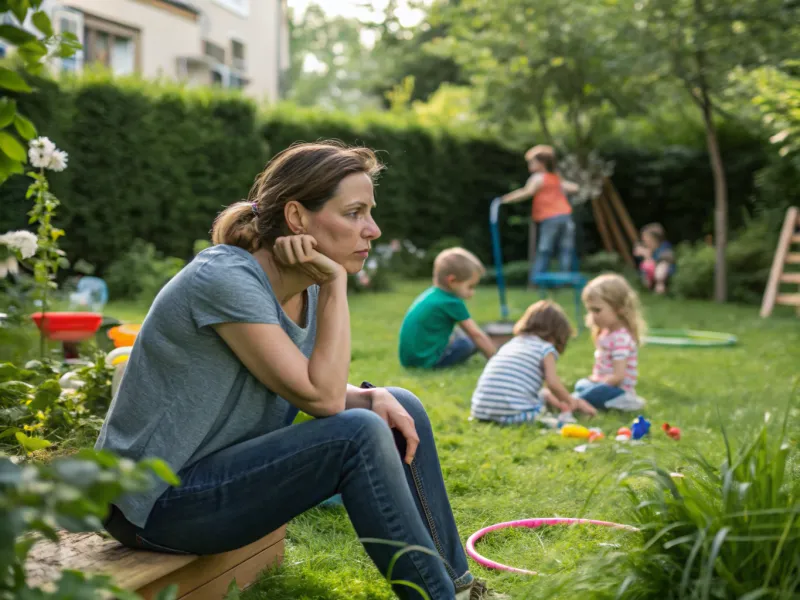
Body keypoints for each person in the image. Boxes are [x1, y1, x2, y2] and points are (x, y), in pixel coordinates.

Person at [96, 142, 496, 600]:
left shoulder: (299, 286)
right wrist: (335, 285)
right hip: (153, 504)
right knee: (357, 433)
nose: (374, 229)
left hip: (216, 479)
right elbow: (322, 400)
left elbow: (295, 378)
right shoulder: (226, 278)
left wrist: (368, 396)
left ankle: (461, 588)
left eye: (370, 212)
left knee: (397, 404)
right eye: (354, 213)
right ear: (297, 218)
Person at [470, 300, 596, 425]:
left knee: (542, 393)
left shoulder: (513, 343)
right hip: (516, 416)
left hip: (480, 412)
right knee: (542, 409)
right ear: (557, 334)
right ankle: (563, 413)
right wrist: (572, 401)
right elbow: (552, 383)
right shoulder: (546, 348)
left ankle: (558, 406)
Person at [398, 248, 496, 369]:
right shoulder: (451, 302)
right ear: (452, 281)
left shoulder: (432, 294)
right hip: (428, 362)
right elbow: (476, 334)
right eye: (470, 286)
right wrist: (496, 361)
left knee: (458, 334)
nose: (472, 292)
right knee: (469, 343)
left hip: (409, 361)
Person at [500, 146, 580, 277]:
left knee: (545, 248)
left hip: (550, 217)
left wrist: (506, 199)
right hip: (566, 215)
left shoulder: (538, 178)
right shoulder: (555, 178)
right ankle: (565, 278)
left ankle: (537, 278)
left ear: (541, 163)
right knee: (566, 248)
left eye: (532, 162)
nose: (529, 165)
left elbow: (527, 192)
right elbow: (573, 188)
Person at [573, 274, 646, 412]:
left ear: (619, 308)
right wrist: (594, 380)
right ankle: (578, 399)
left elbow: (618, 377)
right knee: (581, 384)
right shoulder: (606, 333)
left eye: (597, 310)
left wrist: (597, 383)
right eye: (589, 310)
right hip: (604, 385)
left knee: (594, 391)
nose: (592, 315)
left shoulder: (621, 339)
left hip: (617, 389)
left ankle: (576, 402)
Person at [633, 222, 675, 294]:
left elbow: (665, 260)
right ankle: (649, 287)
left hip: (664, 272)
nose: (644, 240)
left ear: (654, 239)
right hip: (652, 272)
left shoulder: (664, 247)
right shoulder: (647, 248)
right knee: (646, 264)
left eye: (646, 238)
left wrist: (648, 256)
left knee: (662, 266)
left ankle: (660, 286)